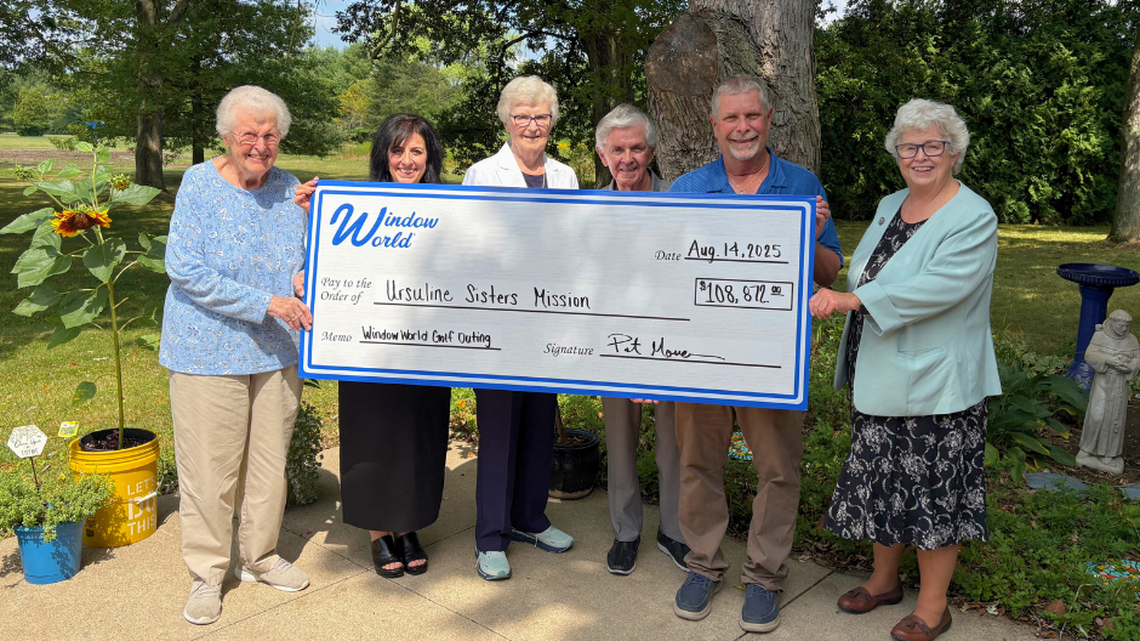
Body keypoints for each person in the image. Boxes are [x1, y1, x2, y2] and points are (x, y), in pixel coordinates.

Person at [809, 98, 1001, 641]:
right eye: (908, 146)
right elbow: (868, 266)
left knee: (934, 493)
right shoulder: (891, 202)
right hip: (880, 371)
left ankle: (934, 607)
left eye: (932, 146)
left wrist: (850, 303)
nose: (920, 156)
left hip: (938, 385)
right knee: (881, 482)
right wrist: (809, 225)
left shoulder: (973, 216)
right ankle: (884, 580)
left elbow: (939, 288)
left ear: (954, 152)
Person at [667, 75, 843, 633]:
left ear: (768, 120)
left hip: (771, 358)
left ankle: (765, 577)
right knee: (698, 464)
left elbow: (829, 272)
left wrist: (810, 237)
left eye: (752, 116)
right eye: (731, 119)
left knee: (778, 470)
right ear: (715, 126)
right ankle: (702, 565)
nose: (743, 128)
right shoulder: (689, 189)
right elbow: (662, 273)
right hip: (702, 354)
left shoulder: (800, 184)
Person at [161, 85, 312, 626]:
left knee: (270, 466)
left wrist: (309, 262)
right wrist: (267, 302)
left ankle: (262, 556)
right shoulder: (199, 184)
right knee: (209, 471)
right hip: (206, 349)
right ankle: (207, 574)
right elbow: (185, 269)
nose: (260, 144)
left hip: (276, 352)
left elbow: (298, 261)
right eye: (249, 133)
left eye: (271, 135)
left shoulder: (290, 189)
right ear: (226, 136)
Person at [294, 115, 452, 578]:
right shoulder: (359, 205)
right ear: (384, 156)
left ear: (430, 157)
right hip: (366, 342)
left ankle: (409, 525)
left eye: (417, 151)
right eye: (398, 151)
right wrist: (312, 214)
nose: (407, 161)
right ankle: (378, 534)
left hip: (427, 342)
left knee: (419, 434)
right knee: (373, 432)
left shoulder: (449, 205)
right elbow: (328, 260)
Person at [462, 75, 578, 581]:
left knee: (538, 423)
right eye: (522, 115)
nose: (532, 125)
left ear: (552, 122)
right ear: (507, 121)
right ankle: (491, 537)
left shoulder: (567, 175)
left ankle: (531, 517)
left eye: (541, 116)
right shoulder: (483, 174)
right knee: (499, 430)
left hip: (547, 321)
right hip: (498, 323)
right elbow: (470, 247)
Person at [592, 103, 689, 576]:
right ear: (602, 153)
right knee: (620, 438)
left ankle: (674, 531)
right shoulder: (586, 209)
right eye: (617, 149)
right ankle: (626, 532)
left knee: (674, 442)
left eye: (636, 148)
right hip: (613, 344)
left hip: (671, 342)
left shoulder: (679, 202)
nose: (627, 158)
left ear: (651, 151)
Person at [1076, 310, 1140, 475]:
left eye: (1126, 326)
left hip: (1120, 385)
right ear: (1112, 322)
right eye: (1121, 325)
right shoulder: (1100, 336)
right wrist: (1109, 360)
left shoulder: (1131, 339)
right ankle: (1087, 450)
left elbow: (1137, 359)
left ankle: (1109, 455)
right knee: (1097, 415)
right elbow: (1090, 355)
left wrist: (1130, 366)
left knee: (1114, 419)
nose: (1123, 329)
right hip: (1103, 383)